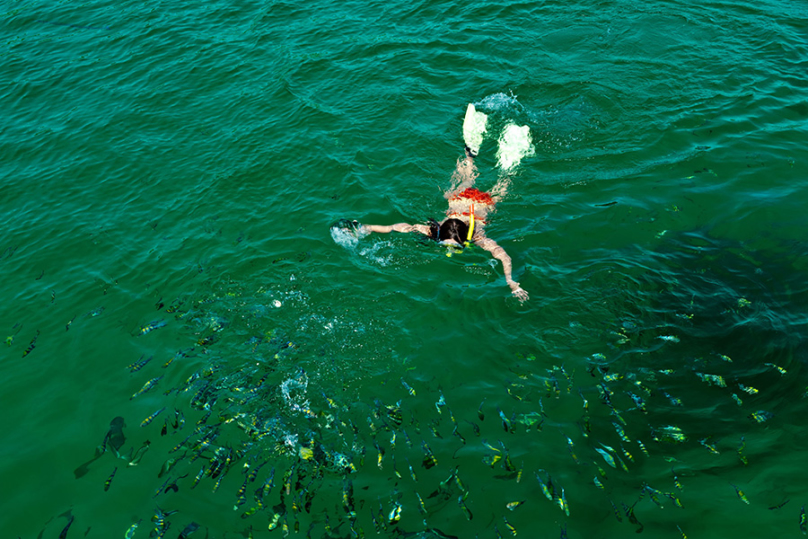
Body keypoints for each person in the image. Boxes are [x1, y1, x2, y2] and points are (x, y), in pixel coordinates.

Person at [352, 104, 530, 302]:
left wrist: (511, 282)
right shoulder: (440, 232)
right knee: (466, 183)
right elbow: (397, 227)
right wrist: (367, 227)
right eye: (449, 244)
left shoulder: (477, 236)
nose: (449, 249)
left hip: (478, 202)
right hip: (462, 199)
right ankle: (472, 156)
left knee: (498, 187)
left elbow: (504, 256)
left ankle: (501, 163)